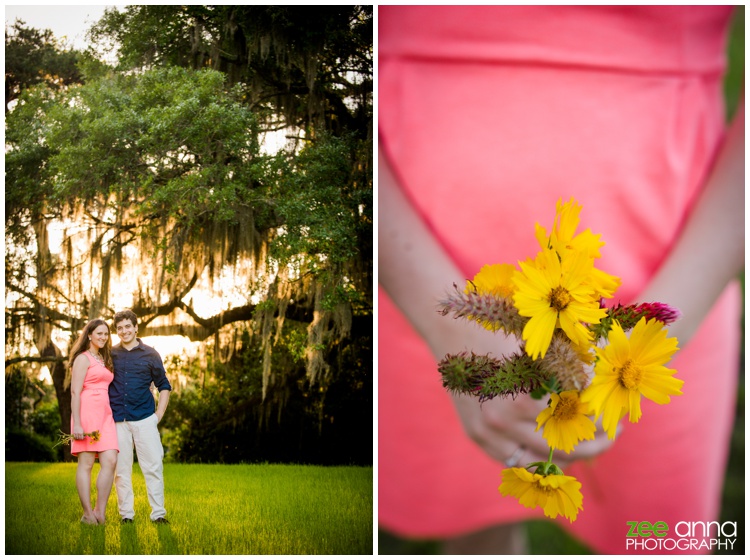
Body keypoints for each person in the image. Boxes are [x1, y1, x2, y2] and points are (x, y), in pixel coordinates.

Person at [379, 6, 743, 555]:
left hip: (674, 285)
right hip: (424, 284)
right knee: (471, 533)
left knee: (658, 540)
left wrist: (658, 331)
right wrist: (441, 319)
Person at [109, 309, 172, 524]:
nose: (124, 331)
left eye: (128, 326)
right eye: (119, 328)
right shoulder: (110, 354)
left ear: (136, 327)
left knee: (153, 466)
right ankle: (126, 515)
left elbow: (164, 385)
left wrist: (158, 415)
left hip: (145, 418)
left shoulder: (151, 354)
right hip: (118, 419)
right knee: (121, 470)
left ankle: (158, 514)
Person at [67, 318, 120, 525]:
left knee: (110, 461)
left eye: (106, 334)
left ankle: (100, 511)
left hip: (106, 415)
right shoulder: (83, 358)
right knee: (86, 463)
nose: (103, 337)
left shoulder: (103, 358)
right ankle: (88, 514)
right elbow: (75, 392)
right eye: (99, 333)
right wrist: (78, 423)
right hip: (86, 413)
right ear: (89, 335)